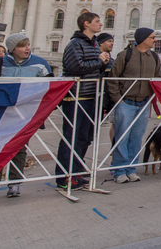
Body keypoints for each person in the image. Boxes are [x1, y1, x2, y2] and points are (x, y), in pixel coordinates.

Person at [0, 32, 50, 199]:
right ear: (13, 49)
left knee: (20, 149)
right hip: (2, 114)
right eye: (23, 45)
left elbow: (50, 88)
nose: (27, 48)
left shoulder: (41, 64)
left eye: (28, 45)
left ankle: (15, 183)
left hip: (25, 115)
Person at [56, 12, 111, 191]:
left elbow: (94, 69)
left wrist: (102, 64)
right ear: (86, 24)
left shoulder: (94, 44)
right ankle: (64, 175)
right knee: (71, 137)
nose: (100, 24)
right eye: (97, 21)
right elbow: (74, 67)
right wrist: (98, 61)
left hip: (92, 95)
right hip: (76, 96)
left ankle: (75, 170)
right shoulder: (75, 44)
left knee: (84, 137)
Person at [106, 27, 160, 183]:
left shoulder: (154, 57)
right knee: (122, 137)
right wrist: (118, 98)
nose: (155, 40)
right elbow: (113, 77)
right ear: (143, 39)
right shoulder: (125, 56)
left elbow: (157, 79)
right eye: (152, 37)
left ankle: (131, 168)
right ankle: (118, 169)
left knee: (136, 138)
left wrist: (153, 96)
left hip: (144, 102)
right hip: (126, 102)